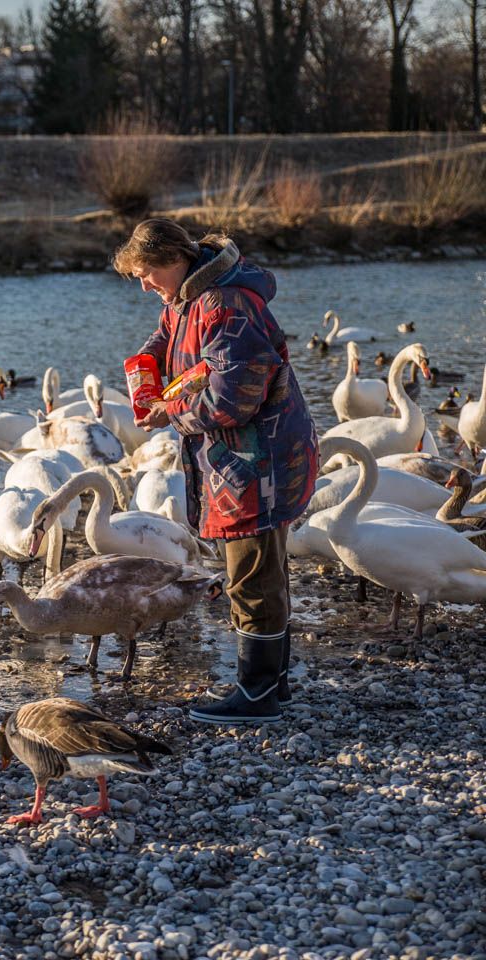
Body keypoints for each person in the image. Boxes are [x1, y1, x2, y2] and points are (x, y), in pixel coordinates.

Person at [115, 218, 318, 725]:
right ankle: (275, 683)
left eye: (145, 273)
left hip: (258, 458)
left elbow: (235, 398)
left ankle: (255, 697)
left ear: (173, 260)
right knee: (263, 567)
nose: (143, 285)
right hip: (242, 458)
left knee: (250, 572)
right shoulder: (187, 298)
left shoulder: (227, 305)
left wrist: (171, 414)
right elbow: (164, 339)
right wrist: (145, 369)